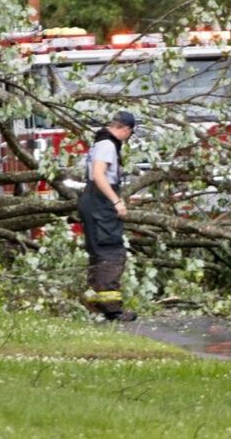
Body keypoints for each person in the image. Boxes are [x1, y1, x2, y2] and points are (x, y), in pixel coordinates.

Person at [78, 110, 138, 322]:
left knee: (98, 252)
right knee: (111, 252)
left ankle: (94, 302)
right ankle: (112, 309)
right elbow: (98, 175)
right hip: (99, 203)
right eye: (129, 135)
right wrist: (116, 201)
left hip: (94, 202)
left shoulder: (100, 142)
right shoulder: (107, 145)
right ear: (126, 130)